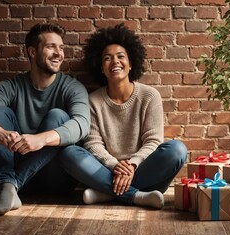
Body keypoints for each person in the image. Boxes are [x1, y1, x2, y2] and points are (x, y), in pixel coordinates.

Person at [0, 23, 90, 216]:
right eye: (51, 47)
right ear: (32, 52)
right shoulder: (11, 86)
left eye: (61, 48)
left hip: (56, 179)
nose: (59, 53)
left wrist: (42, 139)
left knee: (58, 116)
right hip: (19, 170)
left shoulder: (72, 87)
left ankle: (1, 189)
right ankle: (7, 188)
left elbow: (82, 124)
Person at [60, 24, 187, 209]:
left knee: (177, 150)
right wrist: (114, 166)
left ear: (131, 63)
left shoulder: (150, 96)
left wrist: (132, 165)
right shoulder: (93, 101)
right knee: (69, 153)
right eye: (107, 58)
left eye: (121, 56)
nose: (115, 62)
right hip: (105, 169)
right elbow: (93, 144)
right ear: (100, 68)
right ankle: (135, 196)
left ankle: (106, 193)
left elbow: (153, 141)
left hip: (143, 168)